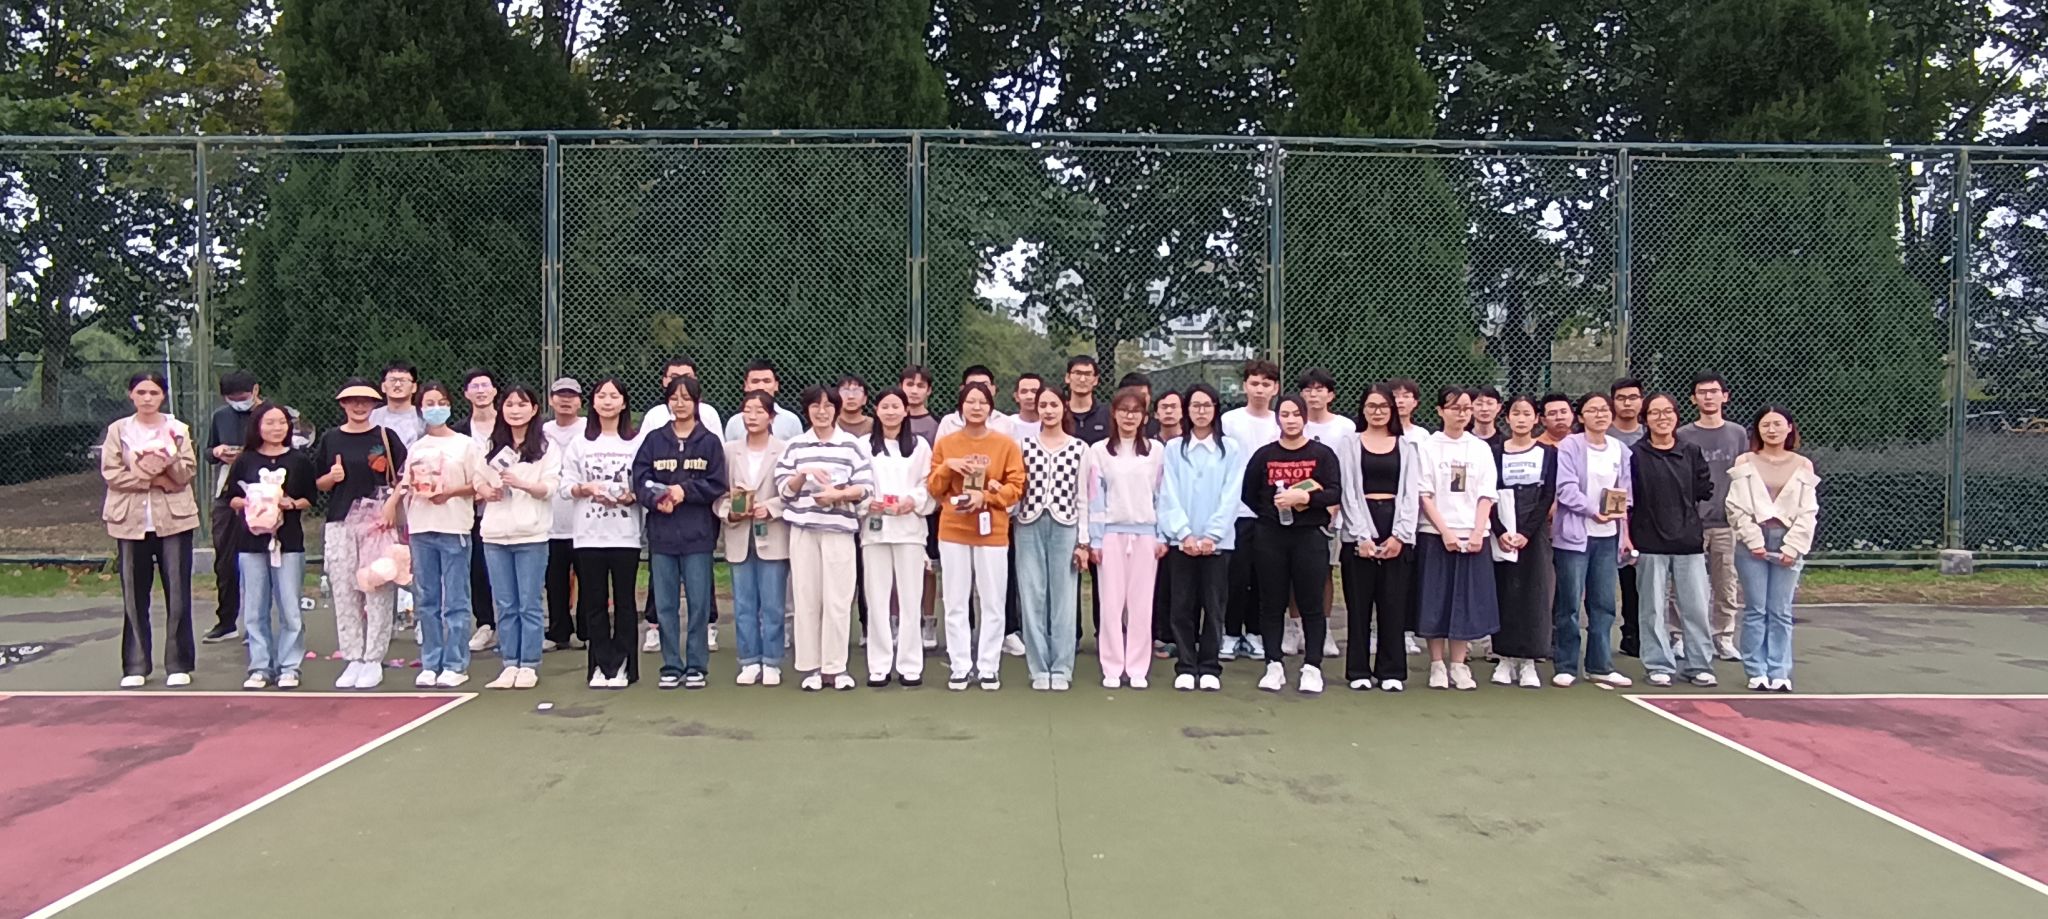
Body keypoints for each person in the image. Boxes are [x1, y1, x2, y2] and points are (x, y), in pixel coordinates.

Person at [104, 372, 200, 689]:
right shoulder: (119, 430)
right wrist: (151, 479)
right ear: (131, 395)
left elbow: (186, 473)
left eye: (154, 392)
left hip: (174, 520)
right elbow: (112, 473)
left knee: (178, 592)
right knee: (134, 595)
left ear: (163, 396)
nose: (147, 398)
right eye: (141, 392)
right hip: (130, 522)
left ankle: (178, 663)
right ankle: (135, 664)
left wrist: (167, 462)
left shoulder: (177, 429)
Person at [928, 381, 1027, 691]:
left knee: (993, 601)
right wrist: (949, 466)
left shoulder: (1005, 444)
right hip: (954, 529)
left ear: (990, 407)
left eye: (982, 402)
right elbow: (934, 487)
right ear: (961, 407)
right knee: (955, 600)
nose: (976, 407)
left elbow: (1016, 487)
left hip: (992, 530)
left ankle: (988, 666)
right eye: (970, 401)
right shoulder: (947, 443)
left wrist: (986, 496)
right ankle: (960, 665)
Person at [393, 382, 490, 689]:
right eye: (429, 403)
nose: (435, 408)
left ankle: (455, 663)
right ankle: (430, 662)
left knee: (456, 600)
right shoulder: (417, 447)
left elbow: (478, 485)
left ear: (449, 405)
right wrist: (408, 492)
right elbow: (406, 484)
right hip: (421, 528)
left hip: (454, 527)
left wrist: (449, 492)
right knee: (427, 599)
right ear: (421, 408)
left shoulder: (465, 445)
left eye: (441, 402)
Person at [776, 386, 874, 691]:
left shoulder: (851, 445)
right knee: (806, 599)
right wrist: (803, 473)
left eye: (828, 406)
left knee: (838, 600)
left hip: (839, 532)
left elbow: (866, 487)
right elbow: (784, 491)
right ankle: (812, 668)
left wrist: (838, 495)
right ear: (806, 410)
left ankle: (836, 667)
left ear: (836, 409)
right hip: (804, 531)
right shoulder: (794, 446)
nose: (822, 412)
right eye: (815, 406)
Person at [1242, 395, 1341, 695]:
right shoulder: (1264, 455)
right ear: (1278, 419)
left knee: (1311, 603)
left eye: (1296, 414)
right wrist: (1271, 513)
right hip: (1270, 537)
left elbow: (1335, 491)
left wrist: (1305, 498)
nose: (1291, 420)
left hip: (1309, 536)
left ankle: (1312, 666)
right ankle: (1274, 664)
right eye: (1285, 414)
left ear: (1305, 418)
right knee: (1272, 602)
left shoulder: (1322, 454)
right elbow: (1248, 493)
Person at [634, 374, 728, 691]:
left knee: (700, 604)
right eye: (674, 398)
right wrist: (656, 499)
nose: (680, 403)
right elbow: (640, 479)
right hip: (662, 536)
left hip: (698, 535)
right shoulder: (654, 439)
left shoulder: (709, 441)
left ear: (696, 402)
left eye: (686, 398)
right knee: (665, 606)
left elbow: (717, 483)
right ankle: (671, 665)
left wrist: (683, 491)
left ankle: (697, 665)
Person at [315, 379, 408, 690]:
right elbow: (319, 483)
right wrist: (332, 477)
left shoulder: (385, 436)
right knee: (344, 591)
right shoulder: (330, 439)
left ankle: (373, 659)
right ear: (343, 404)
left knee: (377, 587)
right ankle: (353, 657)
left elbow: (404, 476)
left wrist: (391, 505)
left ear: (373, 405)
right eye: (352, 400)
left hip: (378, 523)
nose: (358, 406)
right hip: (340, 522)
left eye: (365, 401)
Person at [1413, 387, 1501, 691]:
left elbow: (1487, 493)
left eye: (1466, 408)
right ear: (1440, 411)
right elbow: (1424, 494)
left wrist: (1477, 531)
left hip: (1473, 536)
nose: (1461, 413)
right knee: (1435, 599)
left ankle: (1459, 664)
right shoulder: (1428, 446)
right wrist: (1445, 532)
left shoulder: (1480, 448)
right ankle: (1437, 663)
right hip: (1435, 534)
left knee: (1465, 599)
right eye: (1454, 408)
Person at [224, 403, 316, 690]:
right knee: (254, 607)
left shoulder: (299, 460)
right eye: (269, 422)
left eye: (281, 423)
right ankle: (260, 666)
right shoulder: (245, 460)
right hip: (250, 543)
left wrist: (289, 503)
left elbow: (309, 498)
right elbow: (231, 497)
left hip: (288, 543)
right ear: (257, 426)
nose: (276, 428)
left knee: (290, 607)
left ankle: (290, 666)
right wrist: (251, 501)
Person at [1727, 407, 1819, 693]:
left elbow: (1808, 511)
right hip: (1752, 542)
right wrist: (1753, 541)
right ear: (1757, 430)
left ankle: (1779, 671)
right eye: (1765, 425)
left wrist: (1793, 546)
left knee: (1780, 610)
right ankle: (1756, 671)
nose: (1772, 430)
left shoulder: (1804, 465)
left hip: (1788, 539)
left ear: (1789, 427)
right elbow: (1735, 506)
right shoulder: (1745, 461)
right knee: (1756, 609)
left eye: (1778, 424)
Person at [559, 378, 644, 689]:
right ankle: (599, 665)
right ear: (592, 403)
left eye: (614, 396)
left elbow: (644, 484)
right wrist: (585, 488)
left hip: (625, 535)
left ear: (624, 402)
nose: (608, 401)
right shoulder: (580, 443)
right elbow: (565, 485)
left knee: (624, 603)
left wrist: (630, 497)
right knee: (593, 603)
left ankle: (623, 665)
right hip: (588, 535)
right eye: (601, 396)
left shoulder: (636, 442)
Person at [1334, 384, 1419, 691]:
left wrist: (1399, 536)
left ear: (1392, 410)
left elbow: (1411, 494)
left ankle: (1391, 671)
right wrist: (1362, 537)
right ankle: (1358, 671)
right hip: (1359, 529)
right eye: (1371, 406)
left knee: (1393, 604)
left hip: (1394, 526)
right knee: (1358, 605)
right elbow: (1348, 492)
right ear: (1363, 409)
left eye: (1383, 406)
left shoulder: (1407, 446)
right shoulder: (1350, 443)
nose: (1377, 412)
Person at [477, 385, 561, 690]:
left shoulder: (546, 446)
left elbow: (550, 487)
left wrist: (522, 483)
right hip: (495, 535)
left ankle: (529, 663)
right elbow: (478, 479)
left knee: (528, 603)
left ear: (535, 409)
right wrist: (487, 491)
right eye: (510, 404)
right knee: (505, 604)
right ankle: (509, 662)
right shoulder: (492, 444)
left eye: (522, 404)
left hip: (531, 535)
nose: (515, 410)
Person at [1630, 393, 1717, 688]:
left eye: (1667, 411)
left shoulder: (1691, 452)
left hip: (1688, 543)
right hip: (1649, 543)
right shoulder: (1634, 455)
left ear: (1677, 416)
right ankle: (1658, 665)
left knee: (1696, 608)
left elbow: (1704, 490)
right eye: (1654, 412)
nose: (1662, 417)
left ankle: (1699, 665)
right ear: (1645, 418)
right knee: (1652, 609)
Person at [1159, 384, 1241, 691]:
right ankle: (1185, 665)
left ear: (1216, 409)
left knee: (1214, 605)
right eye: (1195, 405)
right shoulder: (1173, 449)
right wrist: (1184, 533)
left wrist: (1212, 535)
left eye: (1207, 405)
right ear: (1187, 410)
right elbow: (1168, 493)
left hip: (1217, 544)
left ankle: (1209, 666)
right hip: (1183, 542)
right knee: (1181, 604)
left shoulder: (1230, 449)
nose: (1201, 411)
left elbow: (1231, 495)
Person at [1085, 387, 1167, 689]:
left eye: (1136, 411)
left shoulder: (1156, 451)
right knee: (1110, 604)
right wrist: (1095, 540)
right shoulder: (1098, 451)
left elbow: (1162, 496)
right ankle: (1111, 666)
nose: (1129, 417)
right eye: (1124, 410)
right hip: (1110, 536)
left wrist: (1161, 535)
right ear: (1114, 414)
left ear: (1144, 416)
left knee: (1141, 606)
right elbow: (1095, 498)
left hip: (1146, 536)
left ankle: (1137, 668)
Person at [1551, 391, 1634, 688]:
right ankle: (1566, 665)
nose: (1600, 414)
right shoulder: (1570, 446)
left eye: (1604, 409)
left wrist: (1623, 531)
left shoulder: (1620, 450)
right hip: (1574, 537)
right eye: (1593, 410)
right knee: (1569, 604)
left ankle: (1600, 665)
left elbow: (1625, 493)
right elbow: (1565, 488)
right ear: (1581, 416)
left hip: (1608, 538)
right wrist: (1592, 511)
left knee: (1604, 604)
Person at [1014, 388, 1089, 691]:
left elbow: (1083, 497)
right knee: (1032, 595)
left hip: (1065, 526)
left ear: (1063, 408)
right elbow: (1015, 488)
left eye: (1053, 404)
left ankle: (1061, 667)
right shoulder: (1023, 445)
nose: (1048, 410)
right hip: (1028, 524)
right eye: (1043, 405)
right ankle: (1038, 667)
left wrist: (1083, 541)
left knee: (1064, 599)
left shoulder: (1079, 448)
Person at [858, 388, 932, 686]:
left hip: (909, 530)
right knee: (876, 599)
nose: (890, 412)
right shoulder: (864, 446)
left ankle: (910, 664)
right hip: (875, 530)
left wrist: (911, 501)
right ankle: (879, 665)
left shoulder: (919, 446)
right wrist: (868, 502)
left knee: (911, 599)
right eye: (885, 407)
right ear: (876, 411)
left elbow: (928, 483)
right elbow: (857, 482)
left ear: (906, 411)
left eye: (896, 406)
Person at [1677, 372, 1750, 662]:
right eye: (1702, 392)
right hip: (1690, 523)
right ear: (1693, 399)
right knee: (1682, 583)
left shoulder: (1737, 434)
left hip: (1726, 522)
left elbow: (1745, 475)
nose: (1708, 397)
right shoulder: (1683, 435)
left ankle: (1724, 636)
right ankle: (1679, 636)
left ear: (1724, 396)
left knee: (1725, 582)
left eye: (1714, 391)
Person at [721, 392, 792, 687]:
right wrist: (730, 512)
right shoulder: (729, 451)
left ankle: (772, 660)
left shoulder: (784, 450)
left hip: (772, 534)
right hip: (739, 533)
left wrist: (771, 508)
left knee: (773, 604)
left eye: (759, 411)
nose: (752, 416)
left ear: (771, 416)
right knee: (743, 604)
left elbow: (792, 493)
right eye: (747, 410)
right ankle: (749, 660)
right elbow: (719, 494)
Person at [1490, 396, 1556, 689]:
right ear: (1507, 418)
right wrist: (1500, 530)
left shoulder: (1548, 453)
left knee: (1534, 591)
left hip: (1534, 531)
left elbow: (1548, 495)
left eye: (1526, 413)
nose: (1520, 419)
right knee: (1505, 591)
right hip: (1503, 529)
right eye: (1515, 413)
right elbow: (1488, 493)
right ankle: (1504, 657)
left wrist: (1526, 532)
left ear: (1536, 419)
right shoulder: (1495, 452)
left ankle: (1529, 661)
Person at [1220, 359, 1282, 661]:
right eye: (1254, 383)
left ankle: (1255, 633)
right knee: (1236, 575)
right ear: (1245, 386)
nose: (1260, 389)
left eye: (1266, 384)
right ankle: (1230, 633)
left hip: (1270, 512)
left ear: (1275, 388)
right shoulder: (1229, 421)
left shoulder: (1281, 422)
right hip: (1236, 512)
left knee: (1264, 576)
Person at [1296, 368, 1353, 661]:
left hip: (1332, 512)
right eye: (1308, 389)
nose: (1314, 395)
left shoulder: (1345, 427)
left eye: (1320, 389)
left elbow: (1348, 471)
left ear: (1331, 395)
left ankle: (1325, 630)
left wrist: (1334, 504)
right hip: (1296, 510)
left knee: (1325, 571)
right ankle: (1295, 629)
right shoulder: (1293, 423)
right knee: (1293, 573)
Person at [202, 369, 260, 645]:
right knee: (225, 560)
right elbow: (208, 451)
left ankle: (258, 624)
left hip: (262, 491)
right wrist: (217, 452)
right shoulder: (221, 417)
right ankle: (226, 621)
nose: (239, 403)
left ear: (255, 390)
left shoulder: (270, 414)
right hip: (227, 492)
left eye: (243, 397)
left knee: (259, 561)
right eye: (232, 399)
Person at [457, 369, 501, 654]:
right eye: (475, 386)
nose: (481, 391)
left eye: (486, 385)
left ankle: (513, 627)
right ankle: (486, 624)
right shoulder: (459, 431)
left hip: (509, 507)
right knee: (477, 569)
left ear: (495, 391)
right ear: (467, 394)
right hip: (472, 511)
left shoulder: (510, 424)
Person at [899, 365, 943, 651]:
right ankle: (900, 622)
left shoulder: (935, 427)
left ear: (928, 391)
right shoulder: (891, 420)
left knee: (928, 567)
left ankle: (928, 621)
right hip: (893, 509)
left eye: (920, 386)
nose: (914, 391)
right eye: (909, 384)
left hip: (927, 509)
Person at [541, 378, 585, 651]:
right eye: (560, 395)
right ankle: (558, 631)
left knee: (589, 581)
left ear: (580, 401)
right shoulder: (541, 431)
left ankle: (586, 631)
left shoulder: (589, 430)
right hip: (550, 521)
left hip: (584, 522)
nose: (565, 400)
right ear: (551, 400)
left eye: (571, 395)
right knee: (554, 581)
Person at [1608, 377, 1647, 657]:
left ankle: (1634, 635)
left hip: (1643, 515)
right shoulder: (1603, 435)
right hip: (1607, 515)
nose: (1627, 403)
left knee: (1636, 580)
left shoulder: (1649, 434)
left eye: (1633, 397)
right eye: (1621, 398)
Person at [1149, 389, 1185, 659]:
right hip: (1152, 525)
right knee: (1158, 583)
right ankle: (1157, 635)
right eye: (1164, 407)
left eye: (1174, 406)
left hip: (1184, 525)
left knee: (1181, 585)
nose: (1169, 411)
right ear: (1155, 413)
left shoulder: (1190, 444)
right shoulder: (1148, 446)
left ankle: (1180, 637)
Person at [641, 356, 726, 444]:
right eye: (674, 377)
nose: (681, 382)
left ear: (696, 379)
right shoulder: (654, 414)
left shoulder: (709, 412)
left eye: (687, 377)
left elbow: (718, 448)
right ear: (664, 380)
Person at [724, 359, 804, 441]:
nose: (761, 387)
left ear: (776, 385)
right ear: (746, 385)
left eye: (767, 381)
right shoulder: (734, 423)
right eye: (755, 381)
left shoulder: (791, 420)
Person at [937, 365, 1014, 439]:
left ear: (993, 389)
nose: (979, 389)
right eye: (972, 385)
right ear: (962, 389)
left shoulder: (1005, 422)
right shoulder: (949, 422)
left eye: (985, 385)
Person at [369, 360, 425, 446]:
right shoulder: (372, 416)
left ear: (414, 387)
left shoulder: (424, 417)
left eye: (403, 380)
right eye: (392, 380)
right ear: (383, 386)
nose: (397, 384)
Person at [1066, 356, 1110, 443]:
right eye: (1077, 373)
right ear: (1068, 377)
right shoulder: (1058, 413)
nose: (1082, 379)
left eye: (1088, 374)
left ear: (1096, 380)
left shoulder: (1108, 414)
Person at [837, 375, 874, 439]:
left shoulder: (875, 426)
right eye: (845, 392)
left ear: (865, 399)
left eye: (856, 392)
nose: (851, 396)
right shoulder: (830, 424)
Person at [1010, 374, 1044, 440]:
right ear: (1016, 396)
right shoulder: (1006, 424)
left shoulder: (1051, 424)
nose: (1029, 396)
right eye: (1024, 392)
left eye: (1034, 391)